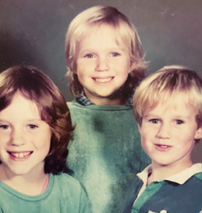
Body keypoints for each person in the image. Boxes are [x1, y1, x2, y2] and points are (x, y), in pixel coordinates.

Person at [0, 66, 90, 213]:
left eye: (32, 126)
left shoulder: (72, 191)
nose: (17, 140)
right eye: (4, 126)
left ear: (55, 130)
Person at [64, 5, 150, 213]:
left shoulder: (149, 119)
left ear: (131, 62)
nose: (102, 66)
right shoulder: (61, 117)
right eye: (89, 55)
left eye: (114, 54)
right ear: (73, 64)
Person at [123, 66, 202, 213]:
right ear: (140, 125)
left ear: (200, 129)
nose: (163, 133)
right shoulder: (137, 184)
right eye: (154, 120)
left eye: (178, 122)